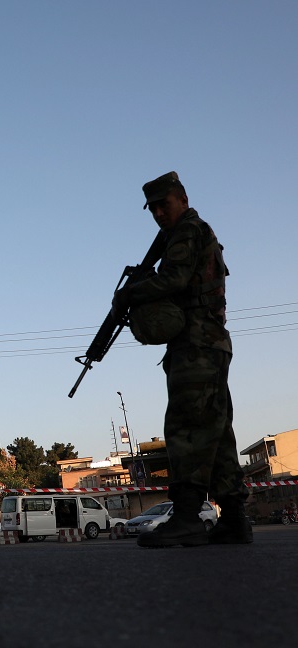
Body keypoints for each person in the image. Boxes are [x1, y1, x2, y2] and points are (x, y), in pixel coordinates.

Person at [113, 171, 250, 548]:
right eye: (153, 208)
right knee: (217, 431)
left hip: (198, 344)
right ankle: (235, 518)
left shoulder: (188, 231)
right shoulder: (188, 231)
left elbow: (173, 279)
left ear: (183, 199)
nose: (158, 213)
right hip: (209, 343)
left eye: (164, 204)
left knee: (186, 425)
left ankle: (188, 517)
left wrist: (131, 294)